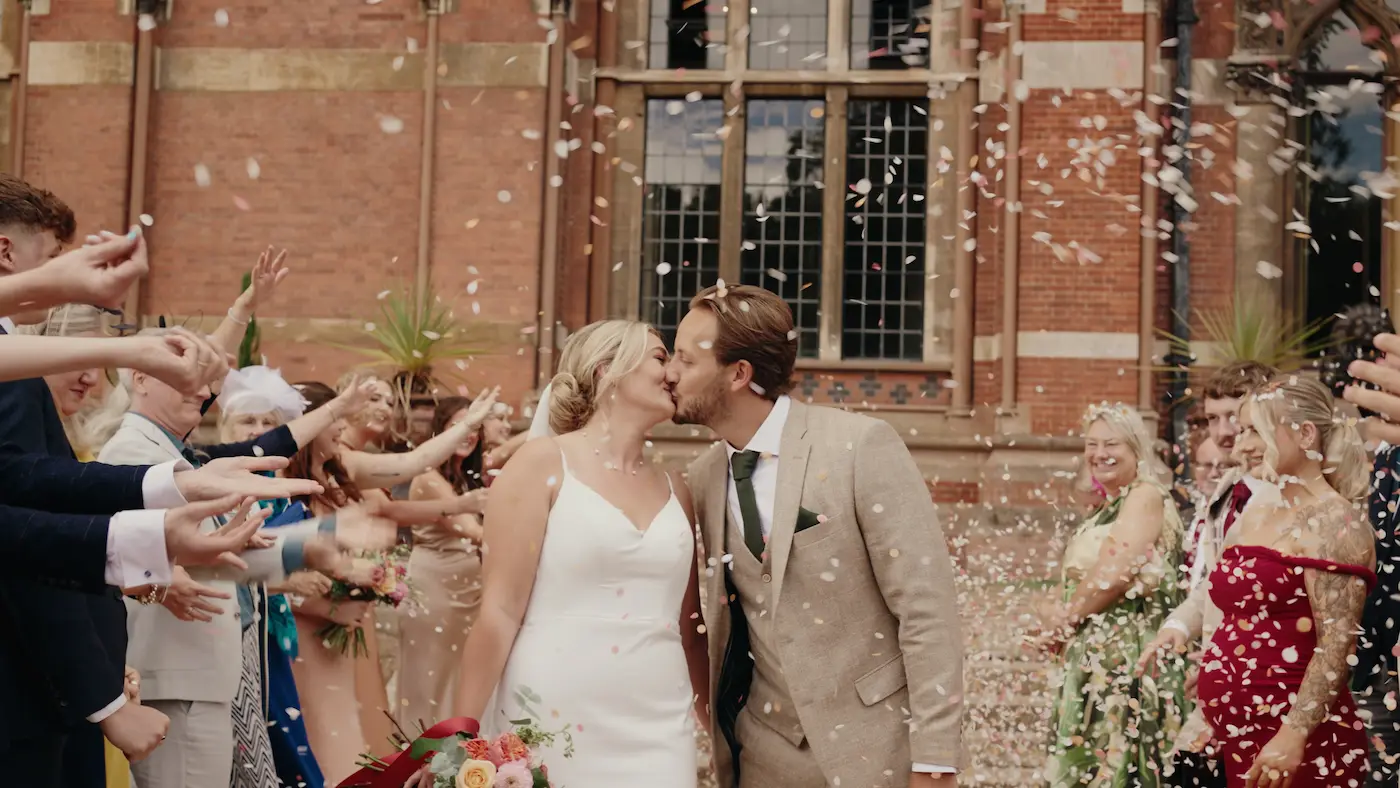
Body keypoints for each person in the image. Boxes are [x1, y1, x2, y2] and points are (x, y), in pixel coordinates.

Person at [667, 284, 963, 788]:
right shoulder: (702, 477)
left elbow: (927, 609)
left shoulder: (859, 446)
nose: (669, 373)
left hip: (876, 747)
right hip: (762, 754)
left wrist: (935, 761)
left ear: (739, 374)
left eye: (684, 360)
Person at [98, 369, 403, 788]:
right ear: (141, 379)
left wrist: (316, 541)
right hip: (181, 675)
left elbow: (220, 548)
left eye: (207, 383)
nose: (204, 391)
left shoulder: (176, 453)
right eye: (188, 378)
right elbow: (198, 552)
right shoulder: (134, 452)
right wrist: (315, 539)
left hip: (210, 673)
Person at [448, 320, 706, 787]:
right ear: (609, 370)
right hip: (553, 713)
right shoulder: (541, 464)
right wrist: (460, 736)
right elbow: (500, 612)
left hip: (661, 723)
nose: (673, 373)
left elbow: (691, 630)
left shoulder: (678, 488)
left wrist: (719, 732)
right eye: (660, 357)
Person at [283, 381, 496, 784]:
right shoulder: (281, 475)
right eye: (335, 421)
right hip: (302, 625)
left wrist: (466, 422)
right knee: (312, 734)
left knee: (349, 729)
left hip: (344, 623)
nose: (342, 430)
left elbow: (415, 462)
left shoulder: (342, 466)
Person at [1196, 375, 1373, 786]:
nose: (1241, 445)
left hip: (1297, 742)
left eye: (1255, 430)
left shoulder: (1336, 522)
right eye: (1242, 432)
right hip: (1240, 737)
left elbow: (1335, 647)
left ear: (1305, 433)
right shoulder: (1259, 513)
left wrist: (1293, 734)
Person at [1135, 361, 1276, 786]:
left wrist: (1229, 668)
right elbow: (1216, 581)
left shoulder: (1285, 495)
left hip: (1265, 678)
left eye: (1235, 417)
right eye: (1213, 419)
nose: (1223, 432)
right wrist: (1179, 625)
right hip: (1218, 674)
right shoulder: (1226, 488)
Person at [1035, 402, 1186, 787]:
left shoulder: (1145, 496)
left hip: (1129, 661)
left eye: (1111, 444)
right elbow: (1076, 578)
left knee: (1119, 765)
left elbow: (1115, 573)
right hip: (1094, 660)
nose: (1099, 454)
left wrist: (1064, 624)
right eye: (1091, 444)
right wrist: (1052, 612)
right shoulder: (1106, 508)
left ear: (1136, 448)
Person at [397, 396, 490, 728]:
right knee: (427, 683)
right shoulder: (429, 479)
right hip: (433, 591)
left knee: (458, 683)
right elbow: (471, 531)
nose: (469, 435)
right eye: (459, 427)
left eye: (475, 428)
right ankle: (415, 759)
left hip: (469, 592)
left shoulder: (465, 477)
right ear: (442, 432)